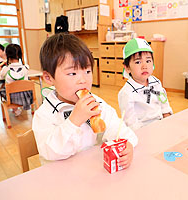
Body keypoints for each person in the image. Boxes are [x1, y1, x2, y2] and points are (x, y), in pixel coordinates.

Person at [33, 33, 138, 169]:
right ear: (49, 78)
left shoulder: (96, 103)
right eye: (72, 73)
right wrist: (74, 121)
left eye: (87, 71)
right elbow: (52, 153)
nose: (83, 80)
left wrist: (127, 144)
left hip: (91, 172)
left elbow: (117, 128)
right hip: (59, 178)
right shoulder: (44, 114)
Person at [118, 38, 173, 131]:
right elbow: (131, 122)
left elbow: (164, 104)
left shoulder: (156, 82)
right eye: (138, 62)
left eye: (148, 61)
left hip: (160, 124)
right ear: (127, 68)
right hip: (142, 130)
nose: (144, 66)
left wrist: (168, 121)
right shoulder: (126, 93)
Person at [0, 44, 32, 116]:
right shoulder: (25, 68)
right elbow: (27, 67)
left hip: (12, 98)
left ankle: (15, 109)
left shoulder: (6, 69)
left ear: (7, 56)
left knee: (3, 90)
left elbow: (1, 75)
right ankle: (19, 107)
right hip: (25, 96)